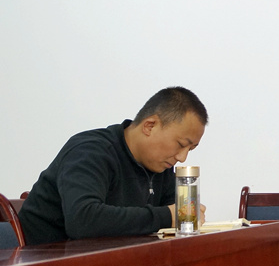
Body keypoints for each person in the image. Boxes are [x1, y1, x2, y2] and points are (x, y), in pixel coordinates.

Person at [19, 87, 208, 245]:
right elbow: (82, 220)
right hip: (40, 265)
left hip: (108, 263)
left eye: (190, 149)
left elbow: (173, 218)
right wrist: (168, 216)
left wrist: (185, 218)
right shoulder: (90, 151)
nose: (182, 157)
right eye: (181, 144)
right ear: (149, 126)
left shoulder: (161, 166)